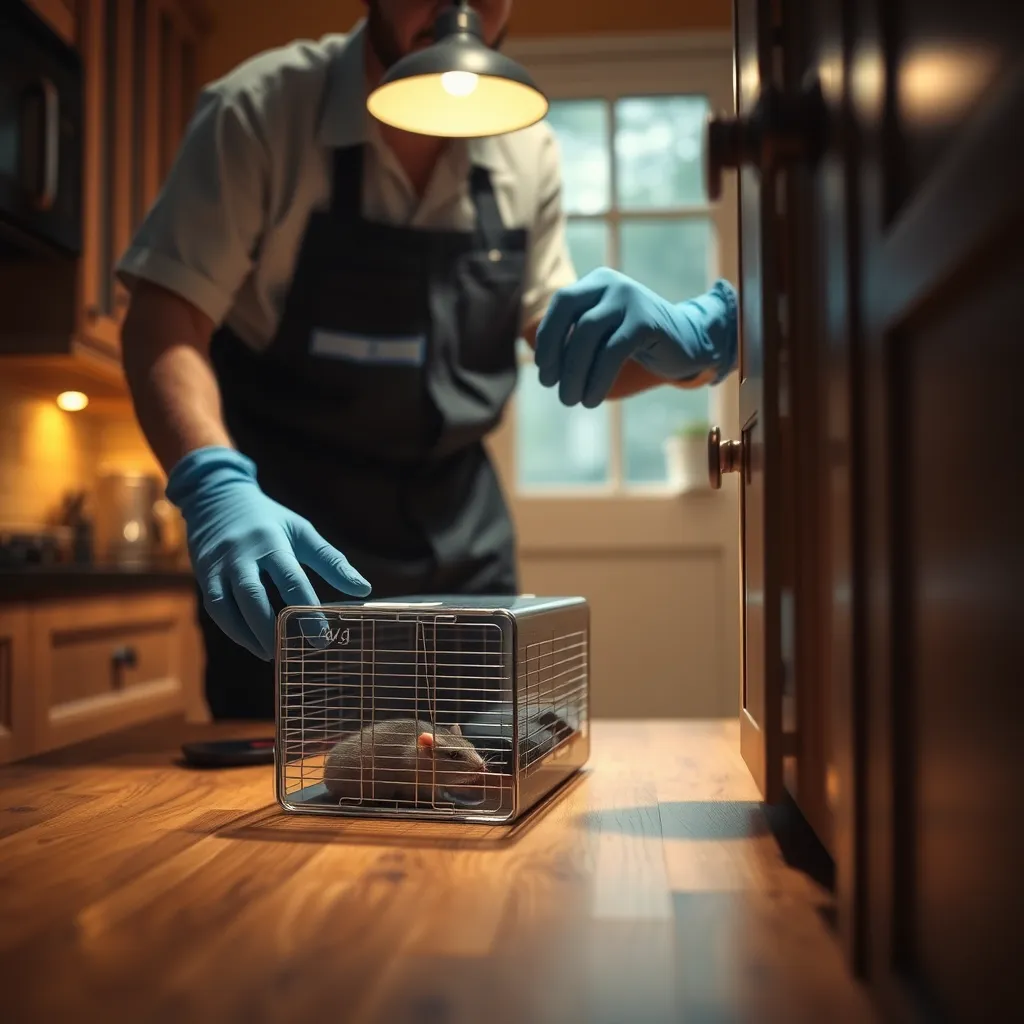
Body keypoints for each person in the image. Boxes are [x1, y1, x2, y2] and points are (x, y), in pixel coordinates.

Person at [116, 0, 738, 720]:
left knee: (476, 769)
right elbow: (164, 318)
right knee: (287, 782)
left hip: (463, 558)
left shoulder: (525, 148)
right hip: (293, 558)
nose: (456, 5)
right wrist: (212, 484)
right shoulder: (259, 111)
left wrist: (696, 348)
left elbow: (572, 353)